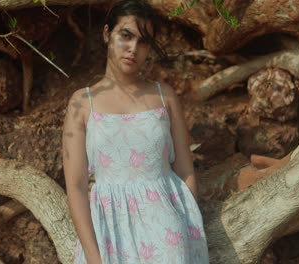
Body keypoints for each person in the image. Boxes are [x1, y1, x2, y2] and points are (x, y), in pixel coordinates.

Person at [62, 1, 209, 263]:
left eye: (143, 42)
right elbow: (75, 186)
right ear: (107, 34)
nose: (133, 49)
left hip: (167, 233)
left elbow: (186, 171)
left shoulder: (164, 96)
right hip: (110, 232)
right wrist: (94, 257)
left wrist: (188, 231)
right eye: (126, 36)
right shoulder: (82, 103)